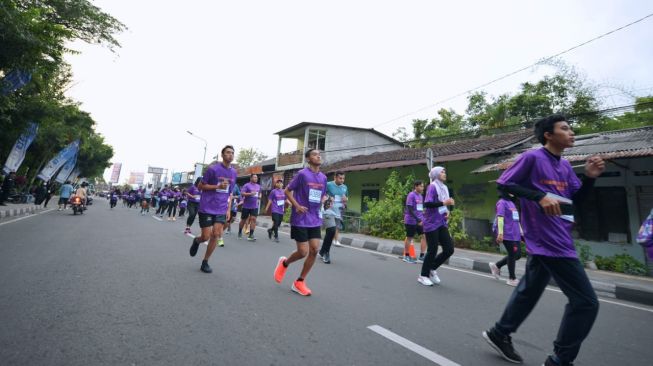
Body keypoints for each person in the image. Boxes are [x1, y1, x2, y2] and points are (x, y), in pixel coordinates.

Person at [482, 114, 604, 366]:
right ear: (549, 135)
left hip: (560, 235)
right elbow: (504, 186)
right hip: (547, 239)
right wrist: (538, 197)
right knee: (586, 302)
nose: (572, 133)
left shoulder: (566, 166)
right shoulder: (532, 157)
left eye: (571, 128)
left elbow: (575, 203)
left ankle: (499, 332)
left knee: (530, 290)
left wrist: (590, 177)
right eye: (565, 128)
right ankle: (560, 359)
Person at [273, 149, 327, 296]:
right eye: (315, 154)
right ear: (308, 159)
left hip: (315, 218)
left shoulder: (323, 177)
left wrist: (324, 201)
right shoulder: (302, 174)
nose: (318, 156)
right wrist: (296, 206)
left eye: (319, 154)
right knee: (303, 252)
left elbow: (322, 196)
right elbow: (287, 191)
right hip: (301, 217)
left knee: (315, 249)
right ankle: (285, 263)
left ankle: (300, 281)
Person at [189, 145, 237, 273]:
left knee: (216, 234)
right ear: (222, 155)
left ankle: (205, 262)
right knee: (206, 236)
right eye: (228, 152)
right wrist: (217, 186)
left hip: (221, 208)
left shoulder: (233, 173)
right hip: (207, 206)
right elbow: (200, 186)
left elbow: (230, 193)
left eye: (232, 153)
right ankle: (197, 240)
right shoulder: (213, 169)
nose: (230, 155)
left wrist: (228, 210)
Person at [418, 166, 455, 286]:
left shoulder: (444, 188)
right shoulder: (432, 186)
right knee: (432, 249)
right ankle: (423, 275)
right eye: (442, 172)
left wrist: (446, 211)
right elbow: (428, 203)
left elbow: (442, 204)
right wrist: (445, 203)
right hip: (431, 222)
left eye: (445, 171)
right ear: (436, 174)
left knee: (449, 249)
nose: (445, 173)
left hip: (441, 222)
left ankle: (432, 268)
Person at [489, 192, 524, 286]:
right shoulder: (502, 202)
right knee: (513, 253)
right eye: (510, 190)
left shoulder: (512, 203)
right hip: (506, 233)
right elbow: (500, 218)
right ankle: (512, 278)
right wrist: (500, 233)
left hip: (515, 233)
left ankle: (497, 266)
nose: (513, 191)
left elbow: (516, 219)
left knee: (518, 255)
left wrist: (521, 232)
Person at [404, 180, 427, 264]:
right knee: (410, 237)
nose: (422, 188)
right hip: (411, 220)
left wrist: (423, 217)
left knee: (424, 236)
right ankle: (406, 256)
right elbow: (409, 209)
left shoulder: (421, 196)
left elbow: (420, 209)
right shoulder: (411, 195)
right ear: (416, 186)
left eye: (423, 186)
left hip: (420, 220)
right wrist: (417, 219)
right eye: (421, 186)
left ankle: (422, 256)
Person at [326, 171, 348, 247]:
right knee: (331, 226)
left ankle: (336, 240)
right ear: (335, 177)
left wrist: (345, 199)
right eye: (340, 178)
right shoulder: (328, 185)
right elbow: (323, 194)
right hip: (330, 208)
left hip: (339, 208)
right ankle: (329, 240)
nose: (342, 180)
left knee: (337, 225)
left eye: (343, 178)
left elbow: (346, 197)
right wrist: (329, 197)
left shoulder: (345, 187)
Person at [239, 174, 261, 241]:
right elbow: (242, 193)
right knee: (243, 220)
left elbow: (260, 193)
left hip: (254, 206)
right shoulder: (246, 185)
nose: (256, 178)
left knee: (253, 219)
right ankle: (240, 231)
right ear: (251, 178)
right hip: (246, 206)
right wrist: (250, 194)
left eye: (256, 177)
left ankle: (251, 234)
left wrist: (260, 196)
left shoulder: (258, 186)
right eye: (254, 177)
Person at [318, 197, 338, 263]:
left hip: (331, 229)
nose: (329, 205)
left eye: (330, 204)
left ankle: (326, 255)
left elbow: (323, 222)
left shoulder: (328, 212)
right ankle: (321, 253)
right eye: (328, 204)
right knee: (326, 241)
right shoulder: (325, 211)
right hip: (329, 228)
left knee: (328, 242)